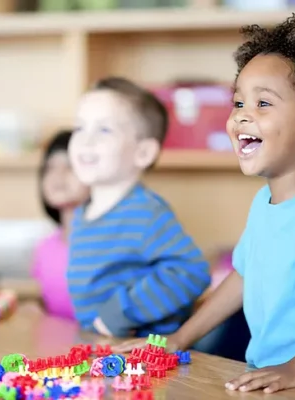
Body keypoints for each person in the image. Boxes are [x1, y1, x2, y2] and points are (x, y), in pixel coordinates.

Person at [113, 10, 295, 394]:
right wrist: (177, 339)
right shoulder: (263, 203)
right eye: (238, 104)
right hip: (267, 378)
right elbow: (243, 275)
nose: (241, 117)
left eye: (263, 104)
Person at [68, 77, 210, 338]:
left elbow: (190, 273)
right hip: (100, 350)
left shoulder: (146, 212)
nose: (85, 141)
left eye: (104, 130)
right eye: (79, 128)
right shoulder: (81, 214)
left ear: (143, 153)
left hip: (143, 358)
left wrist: (120, 313)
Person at [31, 130, 89, 319]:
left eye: (70, 166)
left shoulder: (110, 245)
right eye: (50, 168)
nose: (58, 175)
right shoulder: (44, 247)